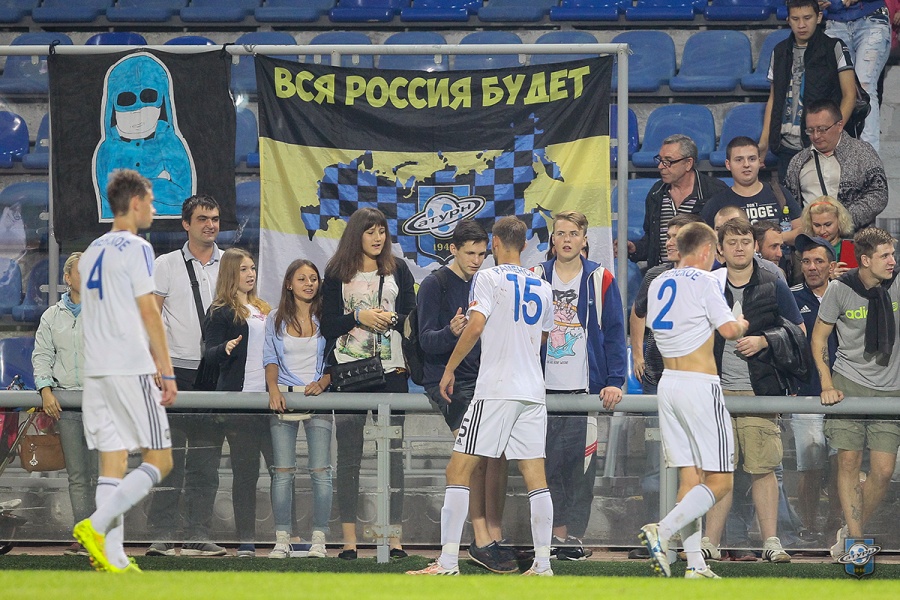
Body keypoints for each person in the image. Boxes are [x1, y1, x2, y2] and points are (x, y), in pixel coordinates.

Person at [407, 216, 555, 576]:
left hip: (495, 389)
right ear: (523, 244)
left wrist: (449, 369)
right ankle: (543, 564)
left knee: (457, 470)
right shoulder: (542, 284)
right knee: (536, 478)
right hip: (533, 392)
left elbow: (475, 326)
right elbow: (544, 337)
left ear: (496, 244)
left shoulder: (488, 278)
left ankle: (447, 562)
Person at [73, 169, 177, 573]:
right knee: (160, 460)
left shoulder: (91, 251)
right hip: (128, 366)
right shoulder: (137, 247)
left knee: (112, 463)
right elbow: (148, 310)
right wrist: (166, 370)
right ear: (135, 203)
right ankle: (96, 526)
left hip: (96, 369)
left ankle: (112, 559)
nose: (153, 209)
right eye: (150, 201)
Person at [639, 222, 749, 579]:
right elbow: (729, 331)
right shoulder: (705, 281)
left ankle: (696, 566)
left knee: (690, 480)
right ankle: (663, 530)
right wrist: (740, 322)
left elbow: (653, 326)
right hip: (699, 385)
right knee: (721, 481)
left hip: (668, 385)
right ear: (705, 251)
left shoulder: (658, 282)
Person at [703, 217, 807, 564]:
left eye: (745, 241)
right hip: (716, 394)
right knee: (718, 471)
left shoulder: (774, 284)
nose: (739, 248)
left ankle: (771, 542)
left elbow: (799, 332)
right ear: (720, 250)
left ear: (754, 246)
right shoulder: (708, 286)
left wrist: (765, 340)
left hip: (758, 392)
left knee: (764, 469)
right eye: (732, 242)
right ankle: (709, 542)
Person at [418, 221, 515, 573]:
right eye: (470, 253)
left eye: (481, 253)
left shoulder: (485, 281)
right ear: (453, 250)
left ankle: (493, 534)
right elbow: (425, 342)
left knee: (497, 456)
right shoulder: (435, 284)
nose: (476, 260)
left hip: (485, 378)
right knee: (472, 457)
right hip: (451, 382)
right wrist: (451, 332)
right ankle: (481, 539)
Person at [321, 207, 415, 560]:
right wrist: (357, 316)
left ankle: (394, 539)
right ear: (356, 235)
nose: (378, 238)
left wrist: (391, 318)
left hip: (392, 373)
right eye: (370, 231)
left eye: (382, 231)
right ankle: (349, 541)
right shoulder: (336, 273)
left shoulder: (398, 269)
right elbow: (328, 325)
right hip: (350, 373)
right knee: (348, 457)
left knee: (393, 458)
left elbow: (413, 320)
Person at [533, 210, 626, 561]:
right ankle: (552, 538)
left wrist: (615, 380)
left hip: (584, 394)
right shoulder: (536, 277)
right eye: (561, 233)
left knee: (581, 471)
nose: (567, 239)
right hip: (542, 392)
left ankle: (572, 538)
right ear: (552, 239)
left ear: (585, 239)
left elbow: (615, 332)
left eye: (574, 233)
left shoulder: (600, 278)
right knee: (547, 469)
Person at [810, 227, 900, 560]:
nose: (892, 261)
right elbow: (819, 338)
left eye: (893, 254)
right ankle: (857, 541)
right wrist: (826, 384)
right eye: (885, 255)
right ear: (864, 260)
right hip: (848, 383)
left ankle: (849, 529)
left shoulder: (898, 283)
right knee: (848, 462)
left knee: (884, 471)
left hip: (890, 389)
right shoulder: (840, 289)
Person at [145, 194, 226, 557]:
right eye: (203, 219)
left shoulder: (231, 263)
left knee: (207, 463)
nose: (211, 225)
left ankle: (197, 533)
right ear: (186, 224)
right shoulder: (165, 264)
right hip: (175, 372)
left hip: (215, 374)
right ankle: (162, 534)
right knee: (169, 459)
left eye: (215, 218)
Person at [629, 213, 704, 560]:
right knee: (654, 464)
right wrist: (637, 352)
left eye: (677, 236)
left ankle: (687, 543)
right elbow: (638, 312)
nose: (670, 241)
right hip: (656, 382)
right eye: (668, 235)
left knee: (694, 466)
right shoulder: (654, 275)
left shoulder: (705, 278)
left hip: (692, 382)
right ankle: (656, 538)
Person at [203, 248, 273, 558]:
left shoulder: (264, 308)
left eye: (253, 268)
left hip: (270, 400)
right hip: (240, 402)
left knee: (281, 470)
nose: (250, 273)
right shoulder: (220, 311)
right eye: (244, 269)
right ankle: (246, 539)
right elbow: (209, 354)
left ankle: (288, 536)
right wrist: (226, 348)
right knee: (246, 473)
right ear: (231, 273)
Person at [265, 259, 333, 559]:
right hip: (285, 399)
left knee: (321, 472)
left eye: (313, 278)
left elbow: (336, 356)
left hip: (319, 401)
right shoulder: (274, 318)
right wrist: (273, 389)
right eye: (302, 278)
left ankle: (319, 539)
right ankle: (282, 538)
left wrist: (324, 381)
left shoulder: (326, 316)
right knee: (282, 472)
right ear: (289, 284)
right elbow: (270, 358)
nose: (309, 283)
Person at [32, 252, 96, 557]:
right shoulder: (51, 316)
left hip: (100, 405)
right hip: (67, 404)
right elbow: (42, 355)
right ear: (67, 278)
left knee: (101, 474)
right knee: (78, 476)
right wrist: (45, 389)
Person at [759, 0, 857, 179]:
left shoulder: (834, 47)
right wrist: (764, 141)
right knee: (789, 197)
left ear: (818, 17)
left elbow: (850, 95)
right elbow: (773, 99)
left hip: (824, 145)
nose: (801, 25)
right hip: (786, 147)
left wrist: (833, 132)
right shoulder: (779, 51)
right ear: (788, 20)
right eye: (795, 19)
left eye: (807, 18)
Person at [790, 233, 839, 540]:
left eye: (818, 261)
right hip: (806, 394)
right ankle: (808, 527)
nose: (811, 267)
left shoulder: (846, 295)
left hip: (843, 393)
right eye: (806, 261)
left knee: (840, 464)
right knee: (810, 466)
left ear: (831, 265)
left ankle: (835, 524)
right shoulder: (791, 297)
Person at [626, 134, 727, 270]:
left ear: (688, 163)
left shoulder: (715, 192)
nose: (661, 166)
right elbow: (652, 239)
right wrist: (635, 248)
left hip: (701, 274)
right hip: (662, 275)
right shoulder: (656, 193)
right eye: (660, 160)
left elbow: (724, 239)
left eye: (668, 161)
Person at [784, 99, 888, 229]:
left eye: (822, 129)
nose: (816, 136)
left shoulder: (862, 152)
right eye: (810, 130)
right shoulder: (798, 161)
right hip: (811, 237)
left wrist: (843, 221)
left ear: (839, 125)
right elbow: (789, 201)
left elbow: (879, 193)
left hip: (856, 237)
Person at [700, 137, 802, 245]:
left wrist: (777, 238)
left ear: (759, 161)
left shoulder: (779, 193)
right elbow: (705, 242)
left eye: (752, 159)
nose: (746, 164)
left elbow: (801, 231)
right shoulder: (717, 203)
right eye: (739, 160)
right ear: (728, 164)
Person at [823, 0, 891, 151]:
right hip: (834, 23)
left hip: (871, 20)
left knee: (865, 86)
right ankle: (837, 153)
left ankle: (869, 159)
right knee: (835, 90)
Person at [799, 195, 856, 279]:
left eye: (828, 224)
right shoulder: (802, 251)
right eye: (817, 225)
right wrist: (829, 278)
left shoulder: (854, 249)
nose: (822, 231)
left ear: (840, 221)